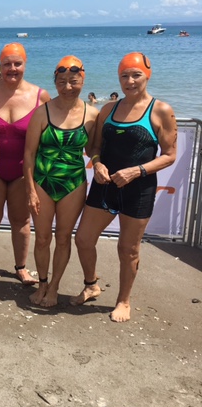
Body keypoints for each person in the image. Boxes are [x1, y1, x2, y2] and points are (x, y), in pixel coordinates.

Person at [70, 52, 177, 322]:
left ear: (147, 75)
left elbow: (169, 154)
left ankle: (123, 300)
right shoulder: (109, 109)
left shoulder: (160, 110)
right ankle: (91, 284)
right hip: (104, 185)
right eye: (124, 76)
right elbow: (94, 146)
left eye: (136, 75)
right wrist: (97, 163)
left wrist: (137, 171)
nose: (129, 81)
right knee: (83, 239)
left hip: (137, 190)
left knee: (128, 249)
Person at [0, 42, 51, 284]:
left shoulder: (40, 96)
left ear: (25, 65)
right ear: (0, 66)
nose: (12, 69)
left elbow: (50, 135)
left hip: (22, 172)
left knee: (21, 220)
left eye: (17, 64)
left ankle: (21, 267)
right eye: (7, 64)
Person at [23, 56, 99, 307]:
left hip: (73, 184)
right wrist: (31, 191)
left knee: (63, 237)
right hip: (43, 182)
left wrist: (101, 163)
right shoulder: (41, 112)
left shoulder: (92, 115)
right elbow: (29, 154)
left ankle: (54, 286)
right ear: (55, 82)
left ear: (83, 79)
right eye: (62, 81)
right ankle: (42, 282)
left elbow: (93, 150)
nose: (68, 86)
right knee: (43, 237)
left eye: (73, 81)